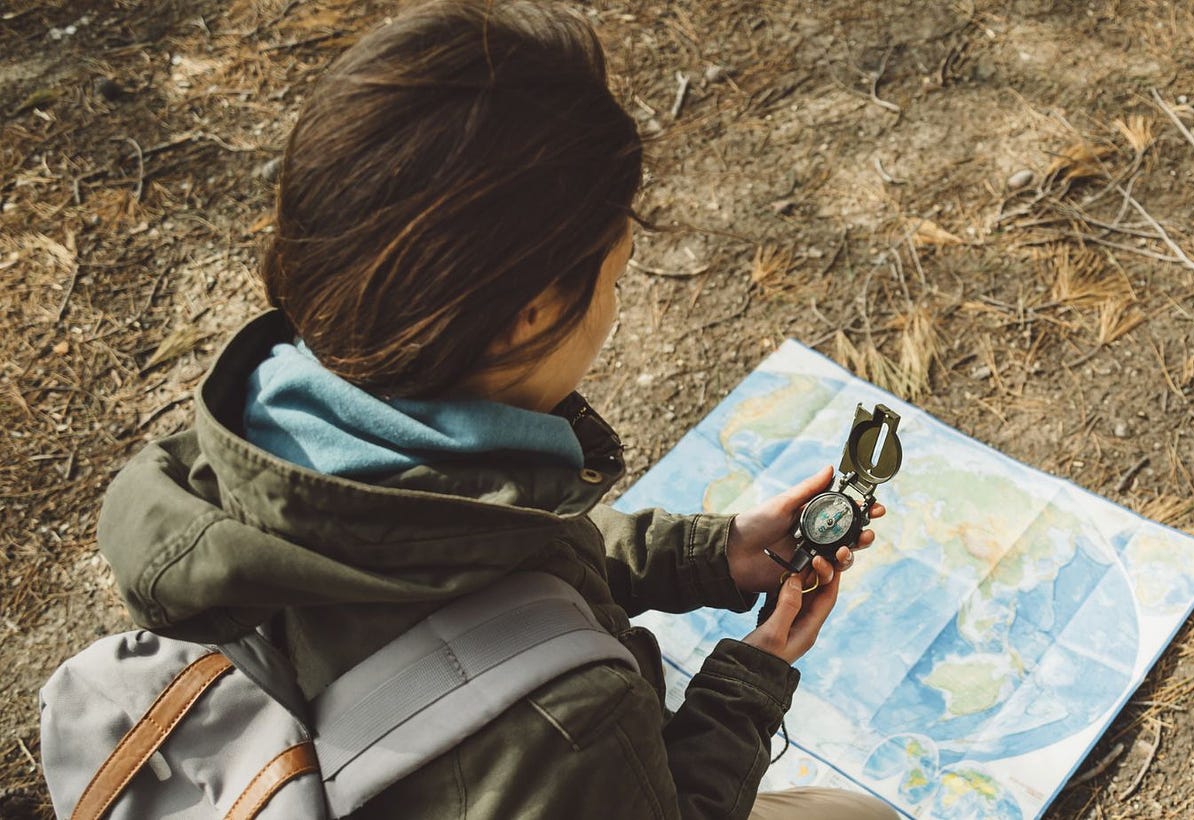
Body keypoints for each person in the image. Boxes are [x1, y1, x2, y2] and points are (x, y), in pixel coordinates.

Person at [96, 2, 898, 818]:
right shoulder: (570, 723)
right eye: (614, 278)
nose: (614, 304)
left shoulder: (265, 451)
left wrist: (706, 556)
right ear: (536, 312)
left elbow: (487, 559)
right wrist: (749, 683)